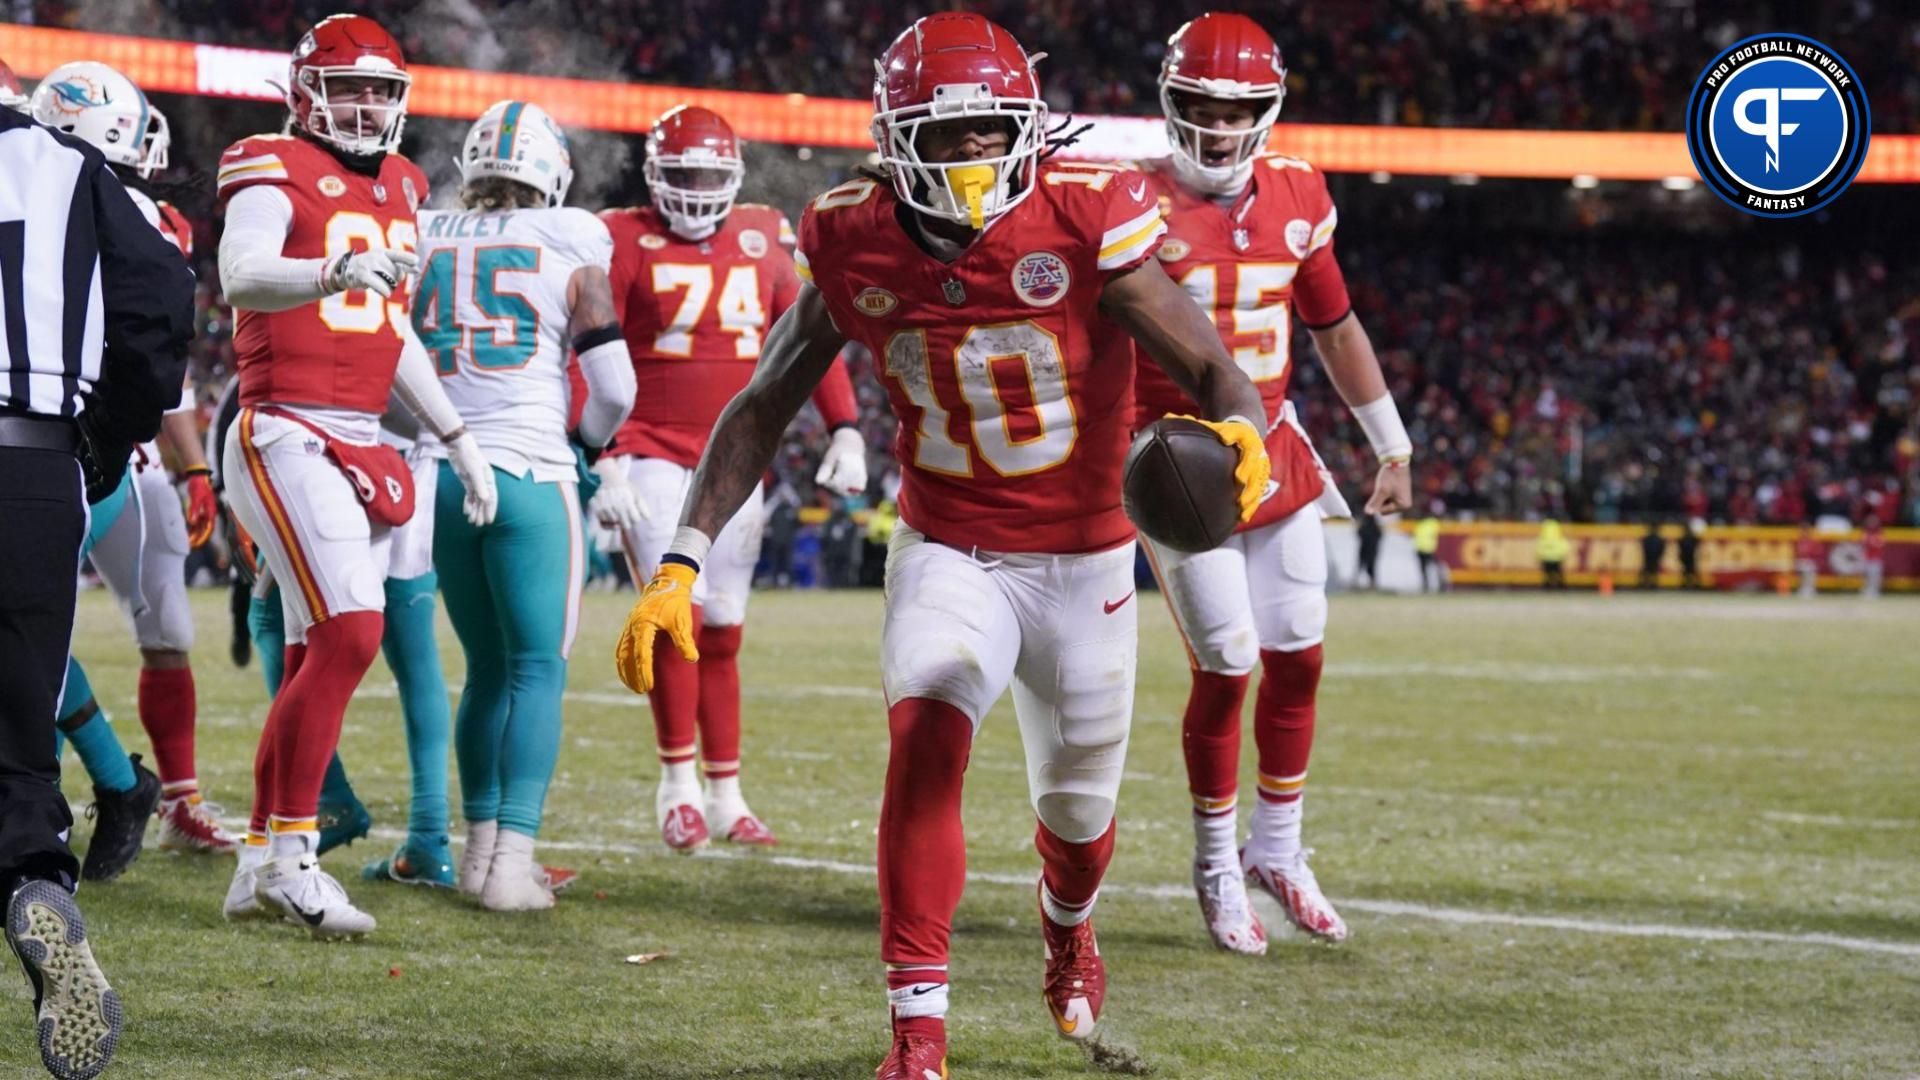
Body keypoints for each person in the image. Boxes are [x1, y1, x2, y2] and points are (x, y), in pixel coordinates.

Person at [614, 13, 1269, 1074]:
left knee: (1078, 814)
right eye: (945, 133)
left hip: (1088, 555)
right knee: (928, 728)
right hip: (949, 546)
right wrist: (682, 557)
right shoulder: (848, 232)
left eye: (988, 132)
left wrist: (1241, 432)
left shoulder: (1085, 213)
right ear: (893, 137)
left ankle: (1067, 927)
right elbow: (761, 404)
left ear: (1026, 126)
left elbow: (1210, 365)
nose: (970, 155)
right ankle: (917, 1038)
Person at [1130, 12, 1412, 953]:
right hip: (1175, 458)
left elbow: (1334, 326)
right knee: (1229, 662)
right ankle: (1215, 862)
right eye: (1200, 109)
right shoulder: (1125, 198)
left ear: (1270, 108)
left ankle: (1277, 849)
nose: (1216, 129)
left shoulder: (1299, 191)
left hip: (1277, 448)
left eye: (1237, 109)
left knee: (1301, 654)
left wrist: (1391, 442)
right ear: (1171, 106)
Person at [214, 13, 496, 940]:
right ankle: (294, 858)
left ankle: (260, 858)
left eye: (381, 89)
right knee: (351, 631)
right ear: (304, 92)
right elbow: (243, 274)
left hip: (359, 432)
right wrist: (335, 266)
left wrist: (455, 433)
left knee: (312, 648)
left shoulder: (407, 183)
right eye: (350, 87)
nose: (368, 105)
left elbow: (390, 327)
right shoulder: (267, 160)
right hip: (283, 424)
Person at [598, 104, 868, 851]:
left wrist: (844, 425)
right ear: (653, 175)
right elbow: (588, 350)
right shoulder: (622, 236)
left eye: (709, 175)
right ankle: (677, 787)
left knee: (722, 630)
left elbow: (810, 338)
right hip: (650, 447)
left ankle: (727, 793)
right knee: (675, 617)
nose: (694, 189)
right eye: (680, 174)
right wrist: (603, 454)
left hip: (735, 463)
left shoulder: (762, 235)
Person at [2, 80, 193, 1080]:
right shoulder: (69, 173)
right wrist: (104, 436)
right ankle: (38, 866)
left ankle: (121, 792)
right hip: (36, 458)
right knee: (22, 717)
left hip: (70, 456)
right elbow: (163, 300)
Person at [412, 100, 635, 909]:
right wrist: (586, 449)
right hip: (532, 471)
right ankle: (511, 865)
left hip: (440, 471)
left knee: (483, 671)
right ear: (555, 174)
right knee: (539, 667)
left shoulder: (424, 231)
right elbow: (615, 388)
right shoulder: (570, 236)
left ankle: (476, 856)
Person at [30, 62, 234, 856]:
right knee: (44, 625)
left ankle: (153, 792)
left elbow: (164, 363)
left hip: (103, 454)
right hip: (104, 448)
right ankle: (124, 784)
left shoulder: (126, 211)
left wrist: (191, 468)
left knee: (129, 625)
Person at [1414, 513, 1442, 592]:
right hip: (1425, 549)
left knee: (1428, 569)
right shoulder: (1426, 523)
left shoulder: (1428, 523)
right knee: (1426, 569)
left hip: (1428, 550)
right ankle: (1427, 586)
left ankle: (1439, 585)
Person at [1538, 519, 1569, 589]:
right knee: (1558, 571)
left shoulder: (1543, 537)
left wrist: (1540, 555)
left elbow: (1539, 546)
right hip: (1557, 557)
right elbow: (1564, 545)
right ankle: (1561, 584)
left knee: (1547, 572)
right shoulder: (1558, 536)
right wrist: (1563, 555)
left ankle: (1547, 584)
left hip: (1546, 557)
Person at [1355, 511, 1382, 590]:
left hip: (1364, 549)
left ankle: (1362, 583)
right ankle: (1372, 584)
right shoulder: (1376, 527)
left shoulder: (1364, 526)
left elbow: (1359, 534)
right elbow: (1380, 536)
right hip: (1372, 550)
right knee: (1371, 567)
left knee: (1361, 566)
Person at [1861, 516, 1884, 598]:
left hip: (1876, 559)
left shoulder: (1879, 533)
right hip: (1867, 558)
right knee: (1866, 576)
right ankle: (1867, 590)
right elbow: (1863, 546)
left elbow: (1880, 545)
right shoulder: (1866, 533)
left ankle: (1875, 591)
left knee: (1875, 577)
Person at [1795, 523, 1820, 597]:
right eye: (1803, 531)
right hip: (1801, 562)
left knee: (1810, 568)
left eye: (1806, 531)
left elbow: (1816, 553)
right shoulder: (1799, 540)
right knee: (1803, 567)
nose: (1804, 532)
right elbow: (1798, 554)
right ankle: (1803, 589)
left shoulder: (1812, 540)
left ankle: (1810, 589)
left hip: (1810, 562)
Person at [1639, 521, 1665, 590]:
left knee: (1651, 571)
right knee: (1651, 571)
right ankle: (1651, 584)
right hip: (1653, 557)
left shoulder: (1649, 538)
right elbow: (1661, 548)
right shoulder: (1657, 539)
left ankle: (1649, 584)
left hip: (1651, 557)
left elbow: (1645, 547)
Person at [1678, 518, 1702, 589]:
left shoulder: (1687, 537)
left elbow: (1697, 543)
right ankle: (1688, 584)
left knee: (1690, 571)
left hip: (1689, 556)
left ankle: (1692, 584)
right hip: (1688, 556)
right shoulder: (1686, 538)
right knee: (1688, 571)